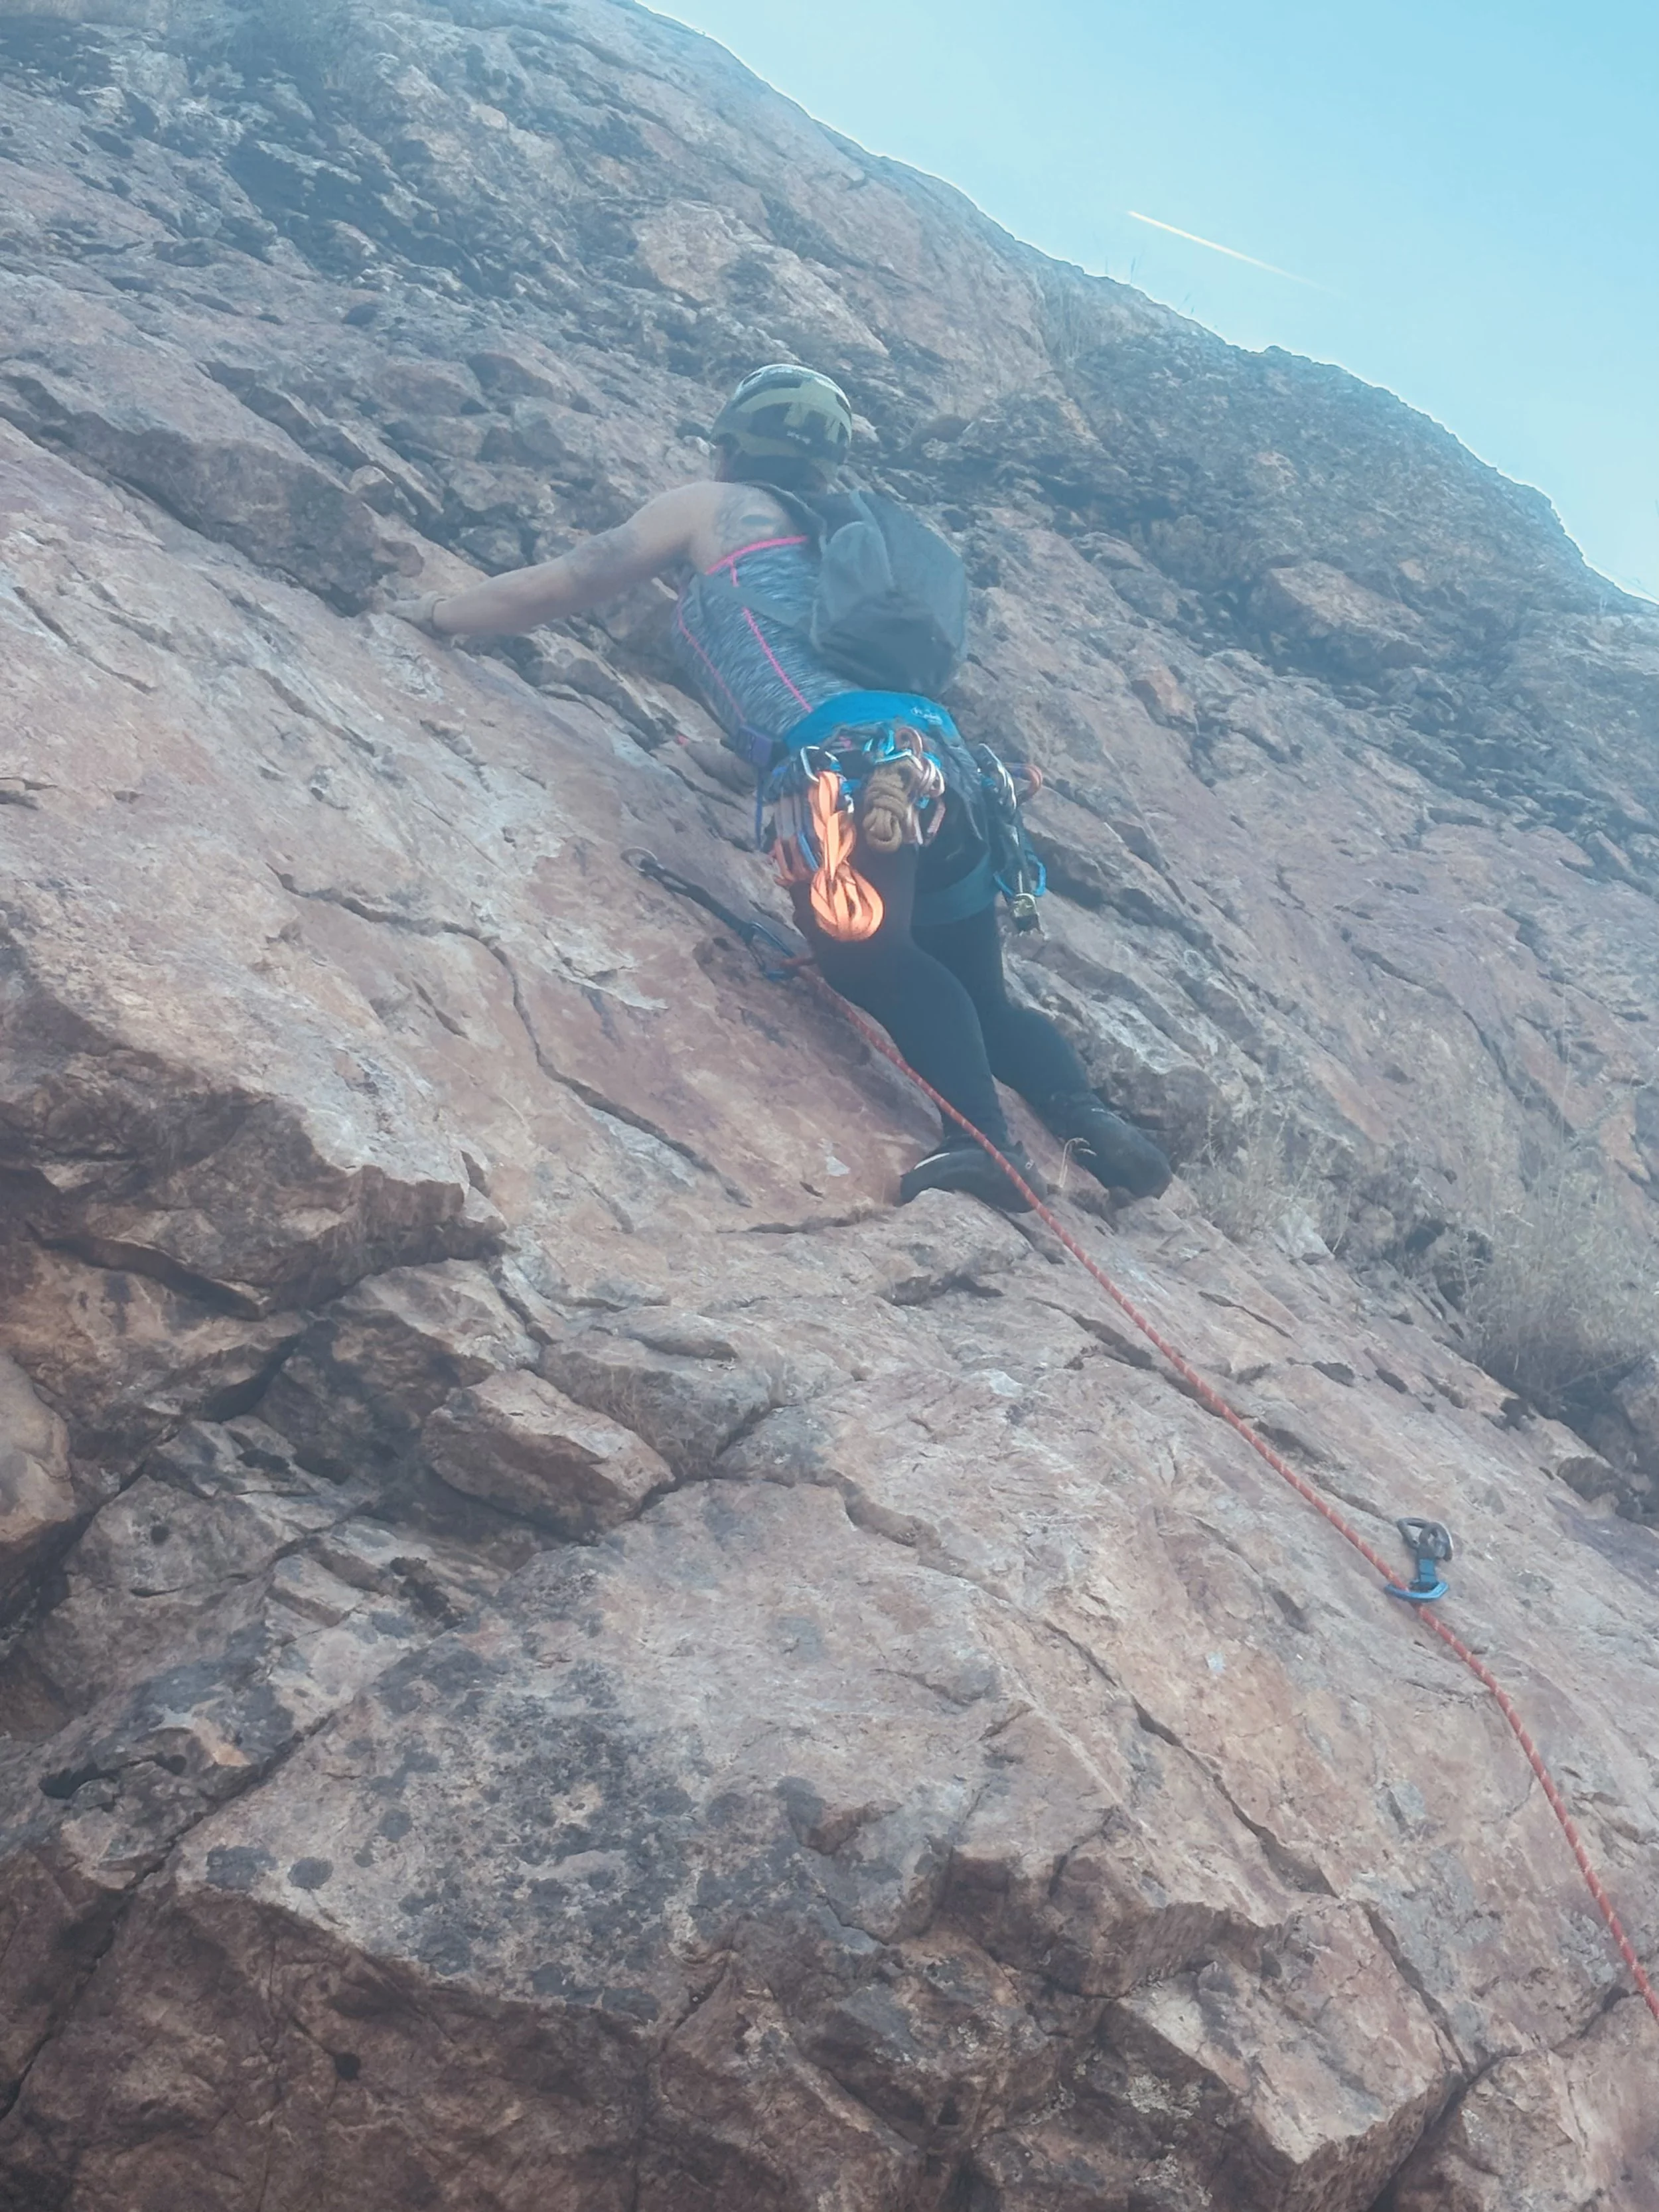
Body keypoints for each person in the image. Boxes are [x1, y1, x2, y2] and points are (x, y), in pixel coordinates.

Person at [388, 363, 1171, 1213]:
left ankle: (986, 1149)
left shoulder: (709, 506)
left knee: (870, 959)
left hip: (843, 773)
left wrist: (436, 615)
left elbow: (577, 578)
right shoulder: (849, 535)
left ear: (726, 448)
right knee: (982, 994)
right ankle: (1097, 1129)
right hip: (950, 775)